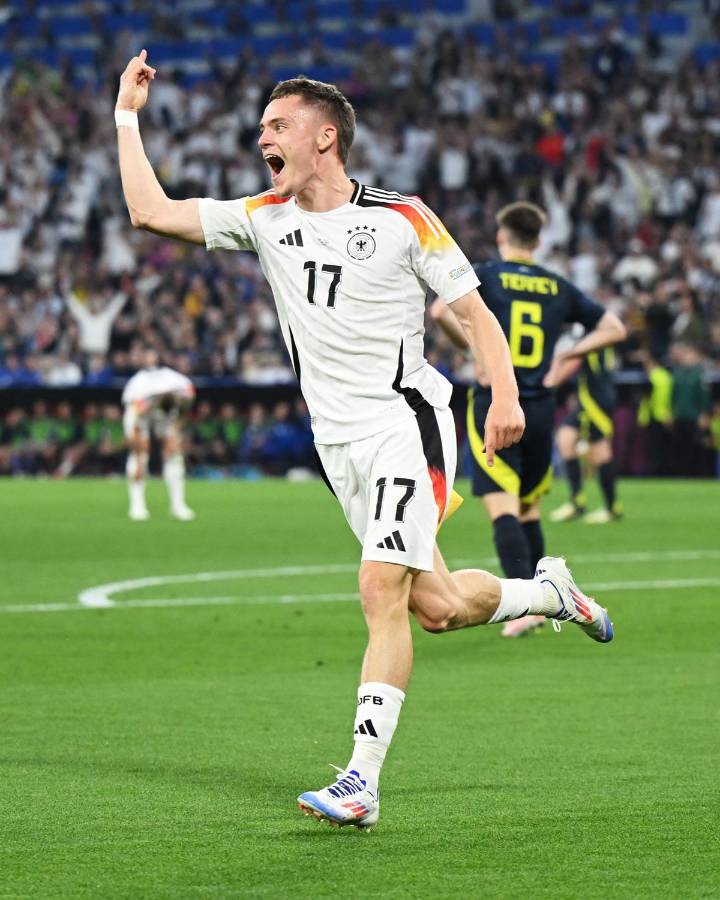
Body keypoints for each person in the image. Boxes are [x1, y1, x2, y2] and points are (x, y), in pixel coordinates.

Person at [116, 51, 614, 830]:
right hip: (337, 446)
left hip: (406, 427)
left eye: (278, 126)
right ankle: (552, 593)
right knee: (439, 607)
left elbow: (474, 313)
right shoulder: (262, 218)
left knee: (379, 587)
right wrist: (126, 116)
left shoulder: (402, 216)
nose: (263, 140)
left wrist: (504, 394)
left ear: (326, 137)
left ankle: (360, 781)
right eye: (260, 130)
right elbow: (151, 210)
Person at [431, 202, 626, 637]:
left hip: (496, 402)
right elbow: (613, 327)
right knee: (529, 507)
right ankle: (548, 598)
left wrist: (474, 353)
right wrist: (569, 355)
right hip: (539, 407)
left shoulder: (488, 274)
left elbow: (442, 312)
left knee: (501, 508)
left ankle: (529, 607)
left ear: (502, 237)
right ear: (537, 242)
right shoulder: (557, 286)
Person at [549, 343, 623, 524]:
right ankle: (577, 502)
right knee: (565, 438)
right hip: (590, 398)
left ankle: (612, 508)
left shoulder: (592, 336)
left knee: (599, 450)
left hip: (595, 401)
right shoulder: (600, 334)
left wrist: (548, 382)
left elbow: (573, 361)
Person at [121, 349, 196, 521]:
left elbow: (185, 408)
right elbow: (136, 413)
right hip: (140, 415)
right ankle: (137, 505)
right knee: (140, 456)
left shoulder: (178, 383)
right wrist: (139, 441)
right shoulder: (138, 385)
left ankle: (178, 506)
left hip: (166, 417)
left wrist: (175, 434)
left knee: (175, 455)